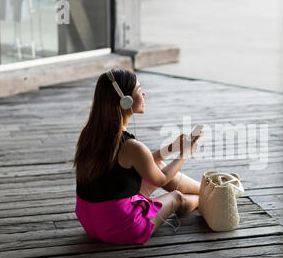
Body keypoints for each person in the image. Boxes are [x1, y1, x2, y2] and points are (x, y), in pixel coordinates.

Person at [72, 68, 202, 245]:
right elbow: (162, 180)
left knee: (159, 164)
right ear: (126, 101)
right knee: (177, 197)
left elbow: (144, 161)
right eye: (140, 90)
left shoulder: (90, 134)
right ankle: (207, 198)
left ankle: (206, 189)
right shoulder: (131, 147)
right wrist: (185, 153)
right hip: (120, 226)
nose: (144, 94)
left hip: (92, 220)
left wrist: (170, 149)